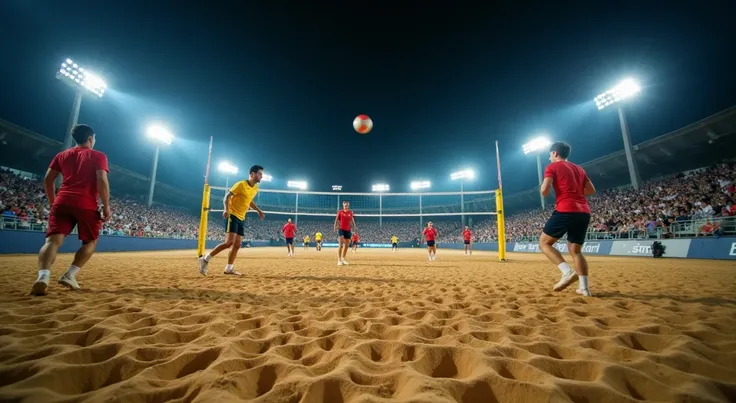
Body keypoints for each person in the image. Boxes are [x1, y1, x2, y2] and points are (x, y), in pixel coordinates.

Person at [30, 124, 111, 296]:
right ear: (90, 138)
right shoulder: (98, 156)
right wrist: (106, 206)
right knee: (90, 242)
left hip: (62, 201)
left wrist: (53, 201)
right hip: (86, 203)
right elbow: (102, 181)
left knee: (52, 242)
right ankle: (69, 275)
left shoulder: (62, 155)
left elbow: (48, 179)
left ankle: (43, 276)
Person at [539, 141, 596, 297]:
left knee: (544, 243)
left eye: (550, 154)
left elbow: (544, 190)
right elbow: (591, 190)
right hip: (583, 211)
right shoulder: (579, 169)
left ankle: (567, 272)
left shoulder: (552, 167)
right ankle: (584, 288)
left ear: (555, 153)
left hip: (566, 208)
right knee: (576, 251)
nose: (549, 157)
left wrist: (550, 191)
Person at [199, 165, 265, 276]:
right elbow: (227, 196)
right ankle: (205, 259)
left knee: (237, 245)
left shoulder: (255, 188)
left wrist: (258, 210)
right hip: (232, 214)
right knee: (228, 243)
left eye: (262, 174)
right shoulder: (240, 185)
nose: (261, 176)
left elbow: (249, 201)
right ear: (252, 174)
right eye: (259, 174)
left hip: (241, 217)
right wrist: (226, 209)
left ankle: (229, 268)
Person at [334, 200, 357, 266]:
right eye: (345, 205)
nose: (346, 206)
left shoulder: (350, 212)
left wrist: (354, 226)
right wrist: (335, 226)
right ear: (343, 205)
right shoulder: (340, 212)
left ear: (348, 206)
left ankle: (343, 259)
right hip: (341, 229)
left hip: (348, 230)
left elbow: (352, 220)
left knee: (347, 245)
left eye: (347, 205)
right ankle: (339, 260)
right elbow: (336, 219)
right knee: (341, 244)